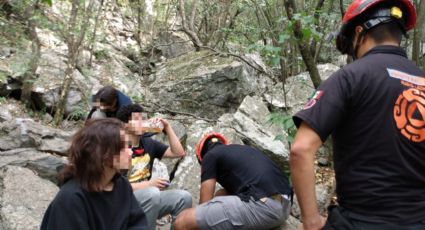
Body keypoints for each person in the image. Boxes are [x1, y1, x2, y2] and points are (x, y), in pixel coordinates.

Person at [291, 0, 425, 229]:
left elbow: (300, 150)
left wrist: (311, 221)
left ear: (359, 33)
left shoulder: (349, 78)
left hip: (361, 221)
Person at [41, 118, 148, 229]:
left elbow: (138, 224)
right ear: (104, 154)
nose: (130, 152)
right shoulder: (71, 199)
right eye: (124, 148)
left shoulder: (122, 186)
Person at [174, 132, 292, 230]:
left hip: (263, 207)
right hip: (284, 207)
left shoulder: (210, 156)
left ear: (202, 158)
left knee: (183, 220)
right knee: (220, 194)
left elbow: (204, 205)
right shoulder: (243, 150)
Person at [116, 103, 192, 230]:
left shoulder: (147, 142)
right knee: (152, 193)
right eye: (137, 120)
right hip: (124, 202)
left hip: (150, 197)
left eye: (142, 119)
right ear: (125, 125)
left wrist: (167, 128)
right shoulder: (119, 147)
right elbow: (117, 187)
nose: (142, 123)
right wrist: (149, 185)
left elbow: (178, 152)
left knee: (184, 198)